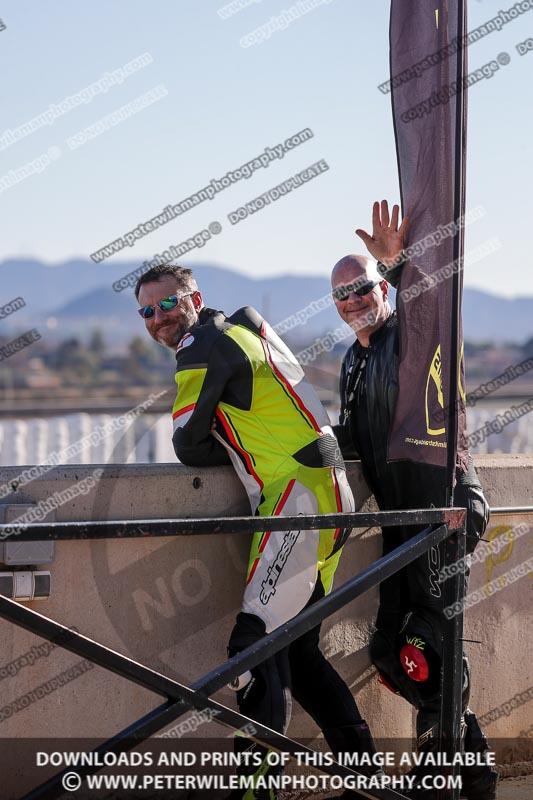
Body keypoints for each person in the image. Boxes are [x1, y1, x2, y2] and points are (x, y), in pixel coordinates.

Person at [135, 264, 380, 799]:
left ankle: (256, 791)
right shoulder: (244, 326)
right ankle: (368, 785)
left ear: (193, 298)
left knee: (253, 646)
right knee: (299, 652)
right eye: (147, 312)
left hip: (297, 496)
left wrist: (215, 422)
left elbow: (186, 446)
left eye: (168, 304)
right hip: (326, 486)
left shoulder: (200, 343)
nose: (159, 319)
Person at [331, 200, 498, 799]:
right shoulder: (354, 359)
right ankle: (473, 768)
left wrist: (400, 264)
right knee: (389, 646)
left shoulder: (411, 334)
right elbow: (348, 438)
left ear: (381, 288)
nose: (351, 301)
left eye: (360, 288)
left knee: (427, 644)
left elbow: (432, 308)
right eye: (340, 296)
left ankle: (441, 782)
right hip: (403, 521)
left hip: (445, 507)